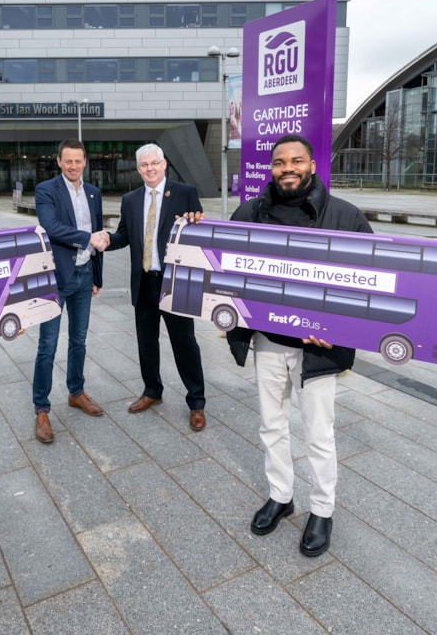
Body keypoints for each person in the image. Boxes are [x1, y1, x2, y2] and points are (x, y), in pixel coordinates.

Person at [225, 134, 372, 558]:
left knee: (319, 435)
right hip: (268, 342)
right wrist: (197, 227)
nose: (287, 168)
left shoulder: (345, 216)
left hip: (317, 350)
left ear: (312, 165)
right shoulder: (250, 212)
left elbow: (371, 284)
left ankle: (322, 510)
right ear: (270, 168)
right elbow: (222, 260)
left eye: (296, 161)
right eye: (278, 162)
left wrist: (339, 327)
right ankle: (281, 496)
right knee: (272, 426)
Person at [99, 144, 207, 430]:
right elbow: (124, 234)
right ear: (138, 169)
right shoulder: (131, 199)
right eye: (144, 165)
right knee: (146, 342)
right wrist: (108, 240)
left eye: (154, 163)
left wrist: (197, 221)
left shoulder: (185, 193)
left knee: (184, 343)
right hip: (144, 280)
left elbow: (198, 234)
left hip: (175, 283)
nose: (149, 168)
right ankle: (152, 391)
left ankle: (196, 401)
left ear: (164, 164)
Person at [31, 138, 107, 444]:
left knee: (79, 340)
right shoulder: (46, 190)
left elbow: (100, 233)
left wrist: (97, 276)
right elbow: (51, 227)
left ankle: (76, 392)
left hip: (84, 274)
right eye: (68, 161)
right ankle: (41, 408)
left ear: (85, 161)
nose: (74, 166)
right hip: (56, 278)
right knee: (47, 345)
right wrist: (88, 238)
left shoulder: (93, 192)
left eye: (79, 160)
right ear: (59, 162)